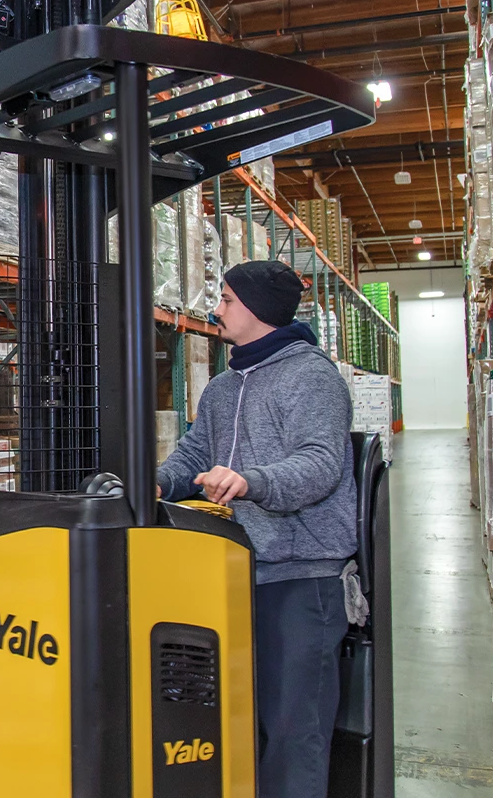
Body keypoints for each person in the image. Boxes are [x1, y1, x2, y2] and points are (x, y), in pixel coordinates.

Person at [156, 259, 357, 798]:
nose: (215, 309)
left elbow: (318, 464)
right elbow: (194, 454)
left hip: (301, 575)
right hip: (237, 568)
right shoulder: (223, 388)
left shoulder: (313, 377)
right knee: (245, 719)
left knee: (295, 728)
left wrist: (250, 481)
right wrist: (156, 483)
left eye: (224, 300)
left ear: (258, 310)